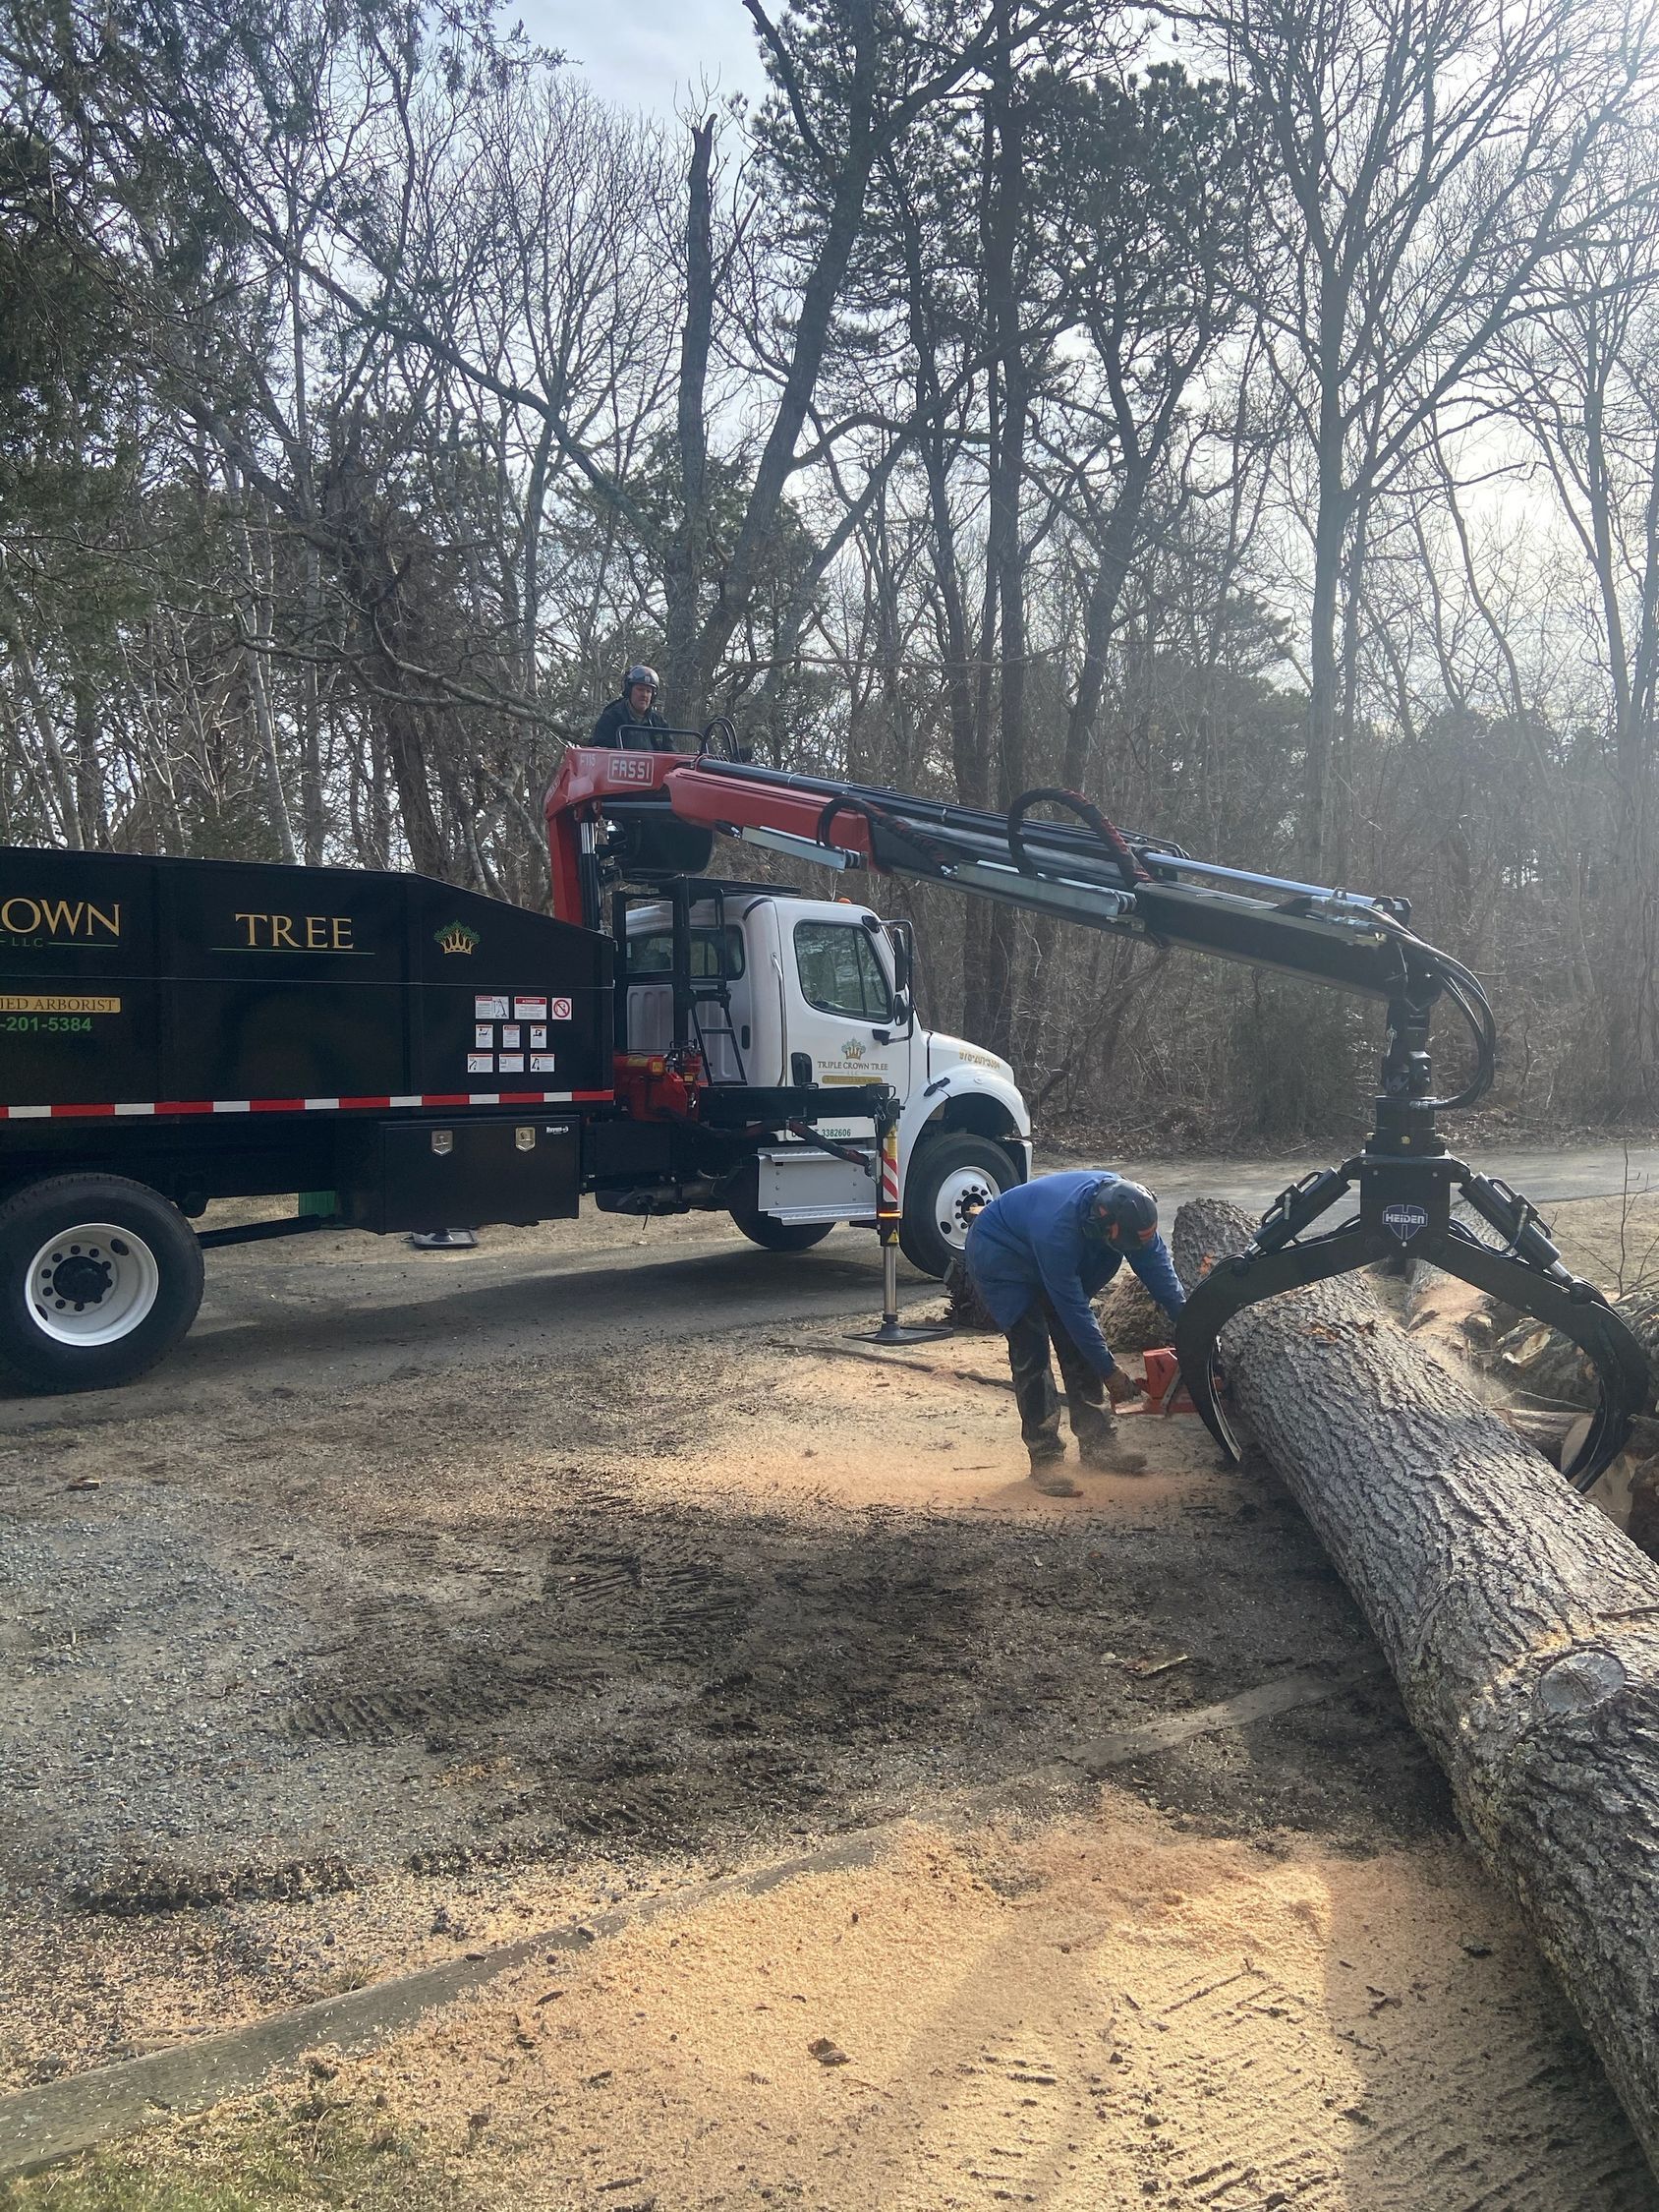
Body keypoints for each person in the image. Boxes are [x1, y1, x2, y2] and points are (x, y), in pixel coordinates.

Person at [965, 1172, 1186, 1495]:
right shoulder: (1059, 1230)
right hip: (1002, 1256)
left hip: (1056, 1250)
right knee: (1032, 1351)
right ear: (1102, 1222)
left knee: (1079, 1347)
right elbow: (1072, 1309)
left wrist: (1190, 1323)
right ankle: (1046, 1459)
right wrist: (1110, 1371)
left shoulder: (1131, 1213)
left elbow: (1161, 1275)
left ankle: (1099, 1448)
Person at [590, 664, 672, 750]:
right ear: (629, 691)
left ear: (653, 696)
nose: (644, 695)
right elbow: (601, 754)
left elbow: (672, 755)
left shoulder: (659, 723)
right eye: (640, 689)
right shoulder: (611, 717)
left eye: (648, 691)